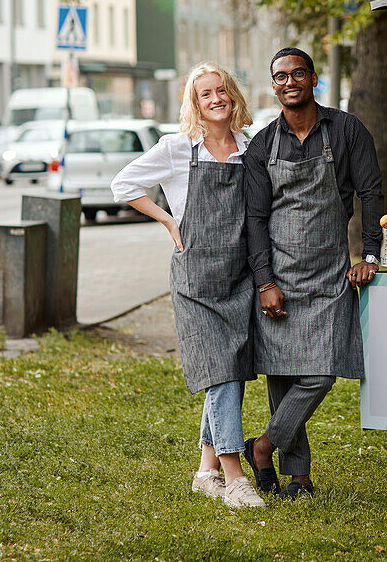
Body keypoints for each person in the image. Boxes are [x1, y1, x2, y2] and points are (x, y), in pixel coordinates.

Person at [111, 62, 265, 509]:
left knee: (229, 372)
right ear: (194, 103)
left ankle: (205, 469)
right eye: (205, 94)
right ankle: (236, 478)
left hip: (238, 278)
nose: (216, 99)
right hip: (196, 281)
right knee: (220, 373)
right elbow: (123, 184)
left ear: (233, 95)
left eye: (221, 90)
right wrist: (167, 219)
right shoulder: (178, 149)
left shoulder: (248, 148)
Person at [243, 47, 384, 499]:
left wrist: (371, 254)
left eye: (297, 73)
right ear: (273, 85)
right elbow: (255, 219)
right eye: (280, 76)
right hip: (279, 277)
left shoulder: (345, 130)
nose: (289, 82)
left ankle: (263, 447)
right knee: (283, 376)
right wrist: (265, 282)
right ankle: (298, 478)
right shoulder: (263, 144)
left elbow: (371, 191)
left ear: (313, 78)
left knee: (320, 373)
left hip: (329, 275)